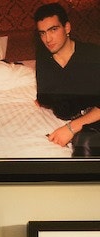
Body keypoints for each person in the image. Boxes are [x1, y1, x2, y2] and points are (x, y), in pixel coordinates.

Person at [34, 3, 100, 157]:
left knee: (86, 144)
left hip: (91, 120)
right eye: (42, 33)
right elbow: (45, 98)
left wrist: (72, 127)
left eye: (53, 30)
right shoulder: (44, 60)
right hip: (84, 123)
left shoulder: (93, 55)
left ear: (67, 28)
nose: (47, 39)